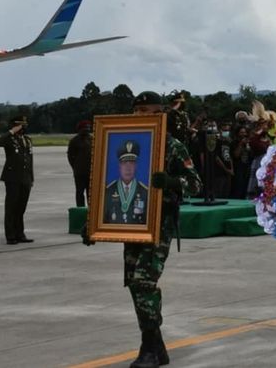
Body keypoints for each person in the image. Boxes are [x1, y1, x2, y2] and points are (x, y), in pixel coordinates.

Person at [82, 91, 201, 368]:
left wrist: (171, 182)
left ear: (161, 114)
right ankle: (157, 347)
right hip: (130, 223)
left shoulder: (171, 146)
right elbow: (104, 184)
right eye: (137, 111)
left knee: (144, 282)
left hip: (158, 225)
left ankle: (149, 348)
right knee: (134, 284)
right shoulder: (122, 144)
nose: (141, 116)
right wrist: (93, 222)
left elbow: (194, 183)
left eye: (148, 111)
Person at [0, 116, 34, 245]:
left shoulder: (27, 140)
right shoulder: (9, 139)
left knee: (21, 208)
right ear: (15, 125)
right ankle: (11, 235)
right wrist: (11, 131)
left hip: (25, 178)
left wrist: (31, 178)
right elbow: (0, 141)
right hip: (12, 178)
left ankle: (20, 233)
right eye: (20, 125)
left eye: (24, 125)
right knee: (11, 207)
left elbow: (30, 160)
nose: (23, 127)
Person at [103, 140, 149, 224]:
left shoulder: (144, 192)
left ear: (136, 166)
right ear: (119, 166)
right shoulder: (108, 191)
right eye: (124, 163)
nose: (128, 168)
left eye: (131, 163)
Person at [67, 120, 93, 207]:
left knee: (91, 193)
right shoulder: (74, 141)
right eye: (85, 128)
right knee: (80, 192)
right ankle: (80, 209)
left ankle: (91, 209)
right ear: (80, 129)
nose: (87, 130)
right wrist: (75, 167)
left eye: (88, 128)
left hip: (91, 171)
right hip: (79, 172)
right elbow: (70, 156)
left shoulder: (93, 139)